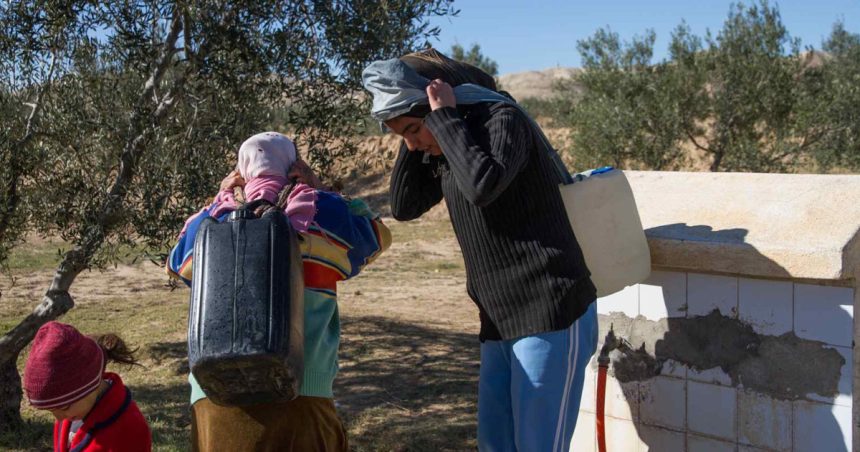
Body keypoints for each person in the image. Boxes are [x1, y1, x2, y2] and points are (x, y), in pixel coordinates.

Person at [362, 49, 598, 451]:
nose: (415, 145)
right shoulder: (446, 141)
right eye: (404, 135)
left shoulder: (502, 121)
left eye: (413, 130)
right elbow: (404, 206)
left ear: (439, 101)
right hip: (499, 323)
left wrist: (441, 120)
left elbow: (483, 186)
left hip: (552, 312)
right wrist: (415, 130)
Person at [166, 132, 391, 451]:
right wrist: (324, 189)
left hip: (214, 391)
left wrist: (217, 199)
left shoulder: (213, 220)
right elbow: (379, 236)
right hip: (303, 389)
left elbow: (176, 264)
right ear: (292, 165)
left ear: (243, 171)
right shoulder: (320, 210)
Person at [23, 321, 152, 452]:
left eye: (64, 407)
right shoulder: (69, 408)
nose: (59, 418)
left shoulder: (130, 428)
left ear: (90, 386)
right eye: (51, 411)